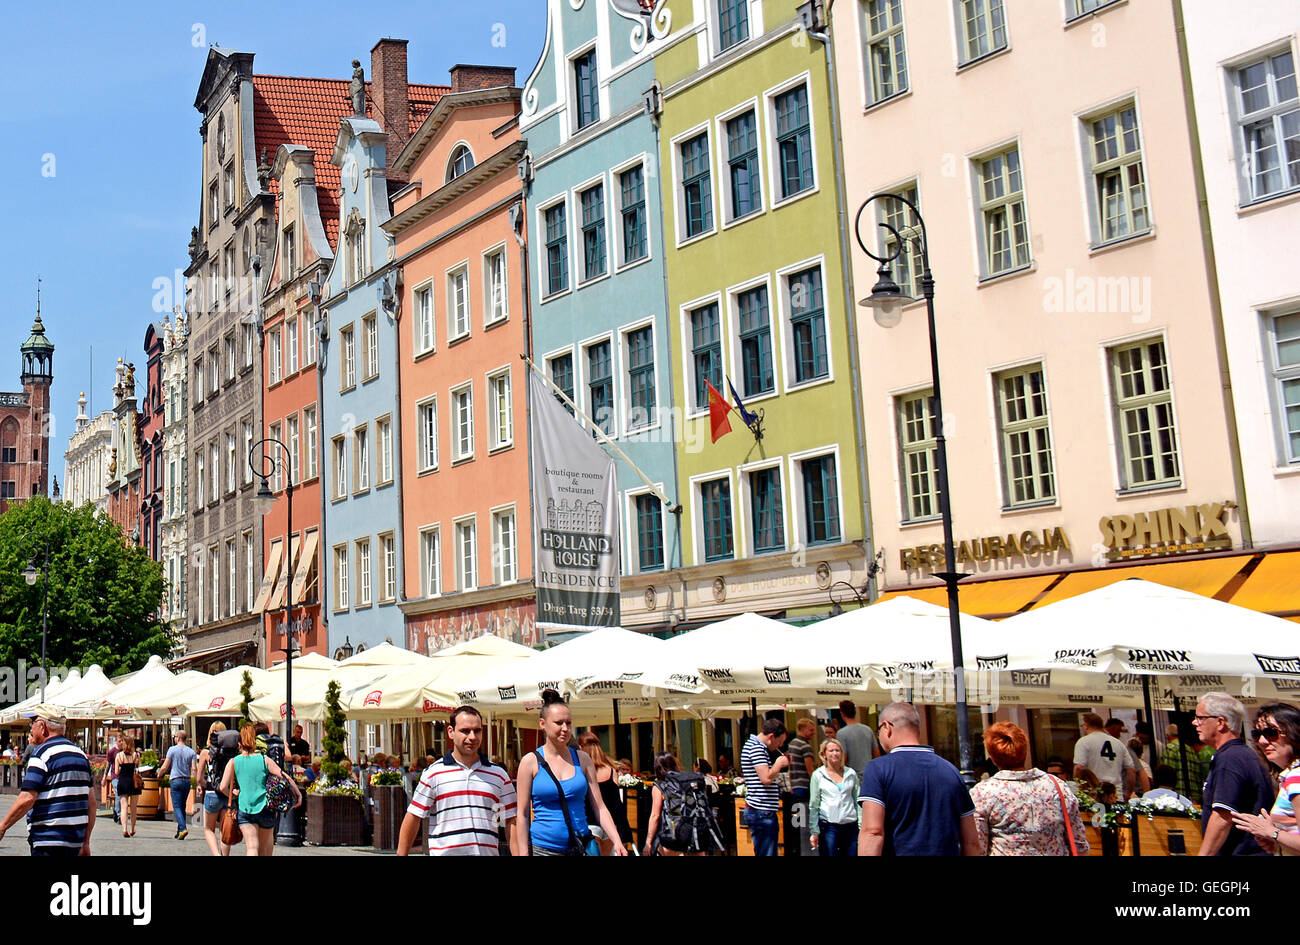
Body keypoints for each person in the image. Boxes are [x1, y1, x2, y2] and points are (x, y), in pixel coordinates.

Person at [513, 690, 627, 856]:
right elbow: (522, 814)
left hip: (580, 846)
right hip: (544, 849)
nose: (565, 729)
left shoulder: (583, 759)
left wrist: (617, 841)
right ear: (542, 724)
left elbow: (599, 807)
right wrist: (524, 854)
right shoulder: (530, 762)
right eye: (559, 723)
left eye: (569, 723)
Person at [858, 702, 980, 856]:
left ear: (887, 727)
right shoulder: (952, 772)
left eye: (878, 731)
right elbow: (971, 842)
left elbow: (872, 832)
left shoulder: (878, 769)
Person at [397, 705, 516, 856]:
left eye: (477, 730)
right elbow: (413, 817)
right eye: (465, 731)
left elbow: (511, 820)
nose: (472, 737)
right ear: (451, 732)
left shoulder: (498, 775)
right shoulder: (434, 773)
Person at [970, 721, 1089, 856]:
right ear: (1025, 751)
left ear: (992, 757)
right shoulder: (1057, 786)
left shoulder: (983, 793)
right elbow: (1079, 844)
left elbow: (977, 847)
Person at [0, 708, 95, 855]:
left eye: (33, 722)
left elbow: (27, 798)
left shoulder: (42, 754)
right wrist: (86, 842)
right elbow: (91, 803)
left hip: (48, 840)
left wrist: (3, 826)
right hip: (75, 841)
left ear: (42, 726)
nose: (30, 727)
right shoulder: (81, 755)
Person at [1193, 691, 1273, 856]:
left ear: (1221, 722)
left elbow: (1223, 817)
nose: (1195, 722)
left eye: (1200, 718)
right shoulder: (1242, 755)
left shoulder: (1231, 758)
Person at [1229, 702, 1300, 855]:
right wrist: (1276, 844)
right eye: (1257, 734)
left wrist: (1272, 832)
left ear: (1295, 733)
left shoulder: (1296, 778)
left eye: (1271, 733)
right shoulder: (1289, 776)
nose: (1262, 741)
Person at [220, 723, 302, 856]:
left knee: (252, 847)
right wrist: (298, 793)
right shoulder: (264, 760)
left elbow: (223, 787)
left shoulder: (234, 762)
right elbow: (284, 775)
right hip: (265, 808)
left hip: (245, 808)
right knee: (265, 850)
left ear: (240, 742)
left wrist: (235, 794)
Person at [642, 752, 720, 856]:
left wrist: (648, 841)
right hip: (695, 830)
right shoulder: (689, 781)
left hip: (673, 832)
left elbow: (655, 816)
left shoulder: (660, 786)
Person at [577, 731, 632, 854]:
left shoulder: (580, 771)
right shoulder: (611, 770)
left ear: (581, 747)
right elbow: (616, 801)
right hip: (611, 823)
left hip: (589, 822)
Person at [740, 718, 788, 856]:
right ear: (771, 737)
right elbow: (766, 778)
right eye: (780, 742)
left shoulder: (754, 746)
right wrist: (778, 764)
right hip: (762, 811)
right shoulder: (756, 748)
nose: (779, 746)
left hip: (761, 811)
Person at [808, 738, 860, 856]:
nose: (835, 753)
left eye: (838, 750)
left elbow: (857, 801)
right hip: (829, 826)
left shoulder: (851, 774)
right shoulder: (818, 775)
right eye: (831, 751)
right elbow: (814, 805)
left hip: (850, 825)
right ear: (824, 754)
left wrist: (861, 826)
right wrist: (814, 831)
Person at [1073, 712, 1135, 799]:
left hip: (1094, 796)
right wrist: (1128, 792)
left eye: (1082, 725)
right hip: (1116, 795)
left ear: (1086, 725)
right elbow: (1131, 770)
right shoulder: (1118, 743)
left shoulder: (1083, 742)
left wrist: (1078, 791)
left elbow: (1078, 768)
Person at [196, 721, 236, 856]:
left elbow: (198, 778)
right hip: (227, 793)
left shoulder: (205, 752)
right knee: (225, 829)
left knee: (208, 829)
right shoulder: (232, 753)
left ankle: (216, 855)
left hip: (212, 792)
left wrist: (204, 784)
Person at [1159, 721, 1213, 804]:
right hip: (1194, 796)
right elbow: (1198, 775)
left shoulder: (1170, 748)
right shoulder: (1191, 750)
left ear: (1167, 736)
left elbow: (1167, 775)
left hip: (1177, 796)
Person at [157, 730, 196, 840]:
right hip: (187, 781)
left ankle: (183, 828)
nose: (174, 738)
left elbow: (165, 766)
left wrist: (159, 774)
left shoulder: (172, 750)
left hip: (176, 780)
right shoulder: (191, 752)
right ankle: (179, 831)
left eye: (174, 736)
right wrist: (196, 781)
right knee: (182, 806)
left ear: (178, 738)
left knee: (177, 806)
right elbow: (194, 768)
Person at [836, 700, 877, 777]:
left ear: (842, 713)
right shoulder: (868, 729)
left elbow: (843, 758)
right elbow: (876, 753)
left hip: (852, 776)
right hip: (870, 773)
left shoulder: (841, 733)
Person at [113, 735, 142, 838]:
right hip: (133, 782)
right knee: (133, 808)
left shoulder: (119, 756)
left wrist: (122, 769)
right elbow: (137, 768)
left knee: (124, 807)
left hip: (123, 781)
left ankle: (124, 829)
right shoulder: (136, 755)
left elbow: (116, 772)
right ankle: (132, 829)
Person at [103, 731, 123, 824]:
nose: (121, 743)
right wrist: (104, 778)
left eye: (123, 741)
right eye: (120, 741)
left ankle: (116, 810)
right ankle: (119, 815)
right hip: (115, 776)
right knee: (118, 793)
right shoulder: (112, 752)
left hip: (124, 776)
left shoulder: (125, 751)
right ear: (116, 741)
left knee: (123, 795)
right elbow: (108, 765)